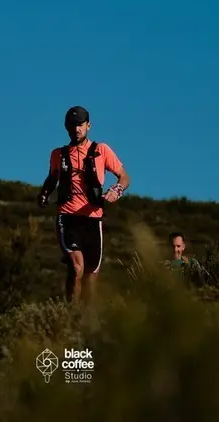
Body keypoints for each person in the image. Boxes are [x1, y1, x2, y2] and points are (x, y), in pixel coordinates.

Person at [37, 106, 130, 305]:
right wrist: (44, 194)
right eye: (72, 126)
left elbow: (124, 177)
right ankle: (69, 315)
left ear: (89, 126)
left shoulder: (101, 150)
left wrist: (116, 191)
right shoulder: (58, 154)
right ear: (66, 128)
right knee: (76, 267)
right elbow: (52, 178)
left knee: (91, 276)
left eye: (80, 125)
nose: (76, 129)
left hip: (93, 219)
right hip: (67, 217)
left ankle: (87, 323)